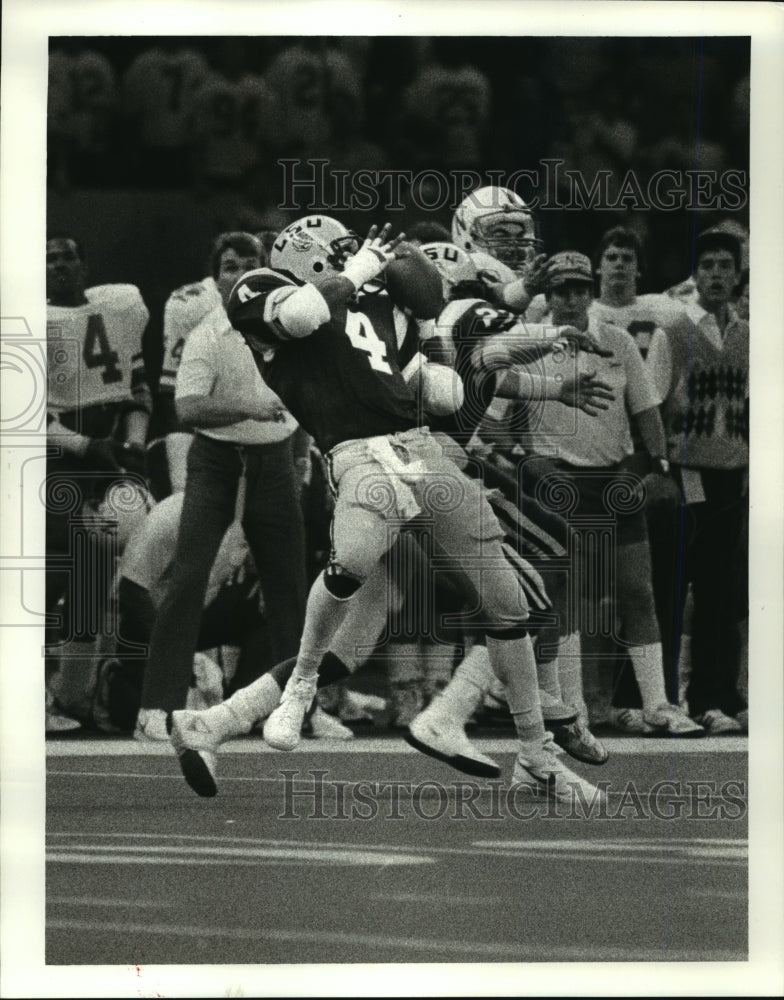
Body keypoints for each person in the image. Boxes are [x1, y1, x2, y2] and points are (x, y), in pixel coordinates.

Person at [169, 215, 606, 807]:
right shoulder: (264, 287)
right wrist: (361, 275)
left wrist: (436, 360)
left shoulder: (390, 309)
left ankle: (215, 722)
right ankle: (472, 722)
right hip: (363, 462)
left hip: (421, 455)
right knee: (520, 585)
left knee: (372, 638)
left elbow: (437, 366)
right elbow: (304, 316)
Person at [501, 250, 704, 738]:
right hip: (555, 481)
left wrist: (657, 468)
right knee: (565, 596)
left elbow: (646, 412)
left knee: (638, 590)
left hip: (614, 478)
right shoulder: (524, 342)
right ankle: (574, 708)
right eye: (562, 291)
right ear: (547, 297)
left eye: (579, 290)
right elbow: (497, 418)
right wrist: (527, 466)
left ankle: (658, 704)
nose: (571, 299)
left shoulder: (617, 342)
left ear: (591, 294)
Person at [135, 231, 308, 739]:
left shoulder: (293, 326)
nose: (238, 274)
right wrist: (248, 408)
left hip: (275, 459)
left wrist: (298, 461)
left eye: (248, 264)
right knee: (189, 576)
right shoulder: (209, 331)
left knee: (289, 584)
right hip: (216, 459)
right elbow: (186, 408)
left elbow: (305, 401)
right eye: (228, 267)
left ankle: (299, 706)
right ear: (217, 278)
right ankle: (156, 708)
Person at [46, 235, 152, 730]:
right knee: (55, 573)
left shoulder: (121, 305)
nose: (59, 265)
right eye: (49, 259)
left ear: (85, 264)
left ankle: (75, 697)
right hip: (53, 460)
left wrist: (132, 444)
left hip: (107, 456)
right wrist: (88, 448)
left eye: (67, 255)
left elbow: (136, 385)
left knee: (103, 570)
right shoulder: (29, 322)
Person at [647, 228, 749, 734]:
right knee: (672, 587)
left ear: (738, 273)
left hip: (734, 473)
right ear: (695, 274)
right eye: (706, 266)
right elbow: (648, 404)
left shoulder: (752, 335)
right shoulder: (673, 331)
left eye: (724, 266)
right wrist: (659, 469)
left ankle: (718, 697)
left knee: (721, 594)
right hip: (687, 473)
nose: (715, 275)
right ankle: (664, 698)